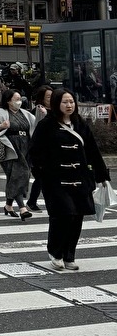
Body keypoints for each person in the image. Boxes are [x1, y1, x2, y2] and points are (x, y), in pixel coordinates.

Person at [29, 88, 112, 271]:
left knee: (77, 217)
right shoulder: (47, 125)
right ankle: (55, 252)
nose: (69, 105)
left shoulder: (80, 124)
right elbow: (35, 152)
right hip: (55, 181)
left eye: (71, 102)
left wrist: (101, 176)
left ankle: (69, 255)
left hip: (80, 178)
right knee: (63, 215)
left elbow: (92, 151)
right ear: (57, 104)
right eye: (65, 102)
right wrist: (42, 174)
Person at [0, 89, 38, 219]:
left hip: (25, 146)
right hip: (9, 148)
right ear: (8, 100)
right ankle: (22, 208)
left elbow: (37, 125)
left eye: (20, 98)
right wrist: (1, 126)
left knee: (18, 176)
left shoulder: (26, 114)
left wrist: (41, 114)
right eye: (16, 99)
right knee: (17, 175)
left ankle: (8, 205)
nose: (19, 101)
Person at [26, 84, 53, 211]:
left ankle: (33, 201)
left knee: (43, 178)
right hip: (41, 150)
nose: (51, 98)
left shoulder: (54, 109)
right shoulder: (40, 110)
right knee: (42, 177)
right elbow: (38, 128)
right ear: (42, 98)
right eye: (48, 96)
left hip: (51, 148)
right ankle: (32, 201)